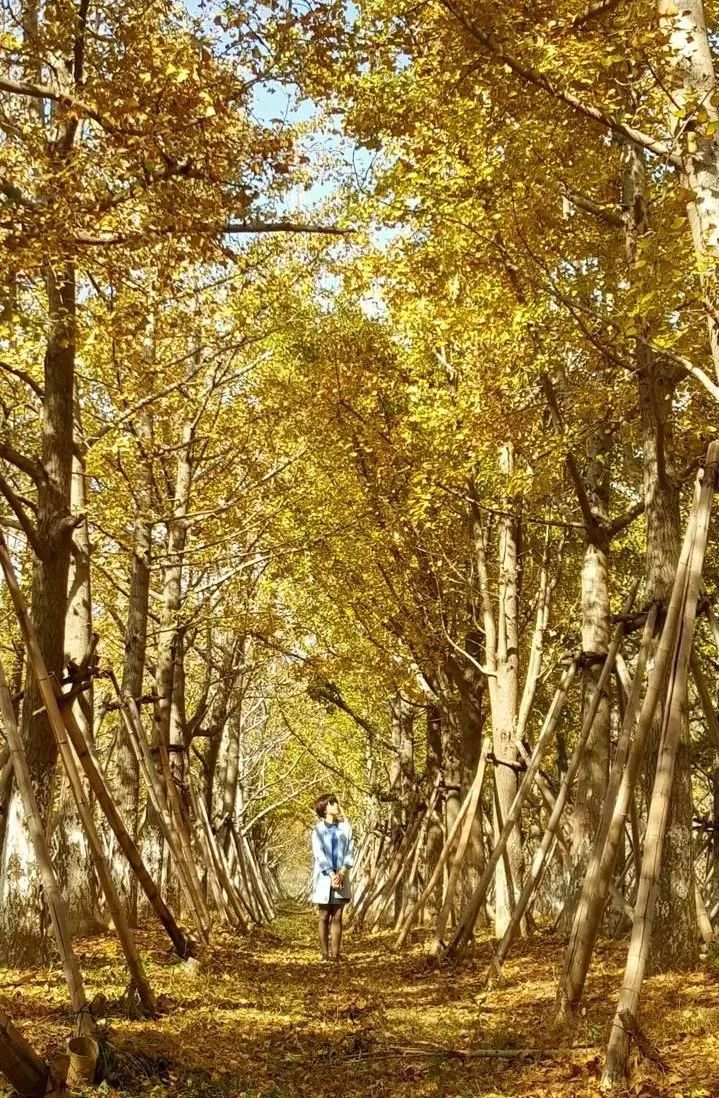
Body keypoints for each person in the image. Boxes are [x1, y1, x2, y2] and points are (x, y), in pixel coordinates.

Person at [310, 792, 354, 963]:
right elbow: (318, 854)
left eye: (335, 802)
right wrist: (331, 874)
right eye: (332, 803)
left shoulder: (345, 827)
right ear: (324, 808)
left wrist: (342, 872)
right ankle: (324, 953)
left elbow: (350, 850)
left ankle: (335, 954)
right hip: (324, 877)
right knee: (323, 915)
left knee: (337, 915)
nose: (336, 805)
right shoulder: (318, 830)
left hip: (341, 875)